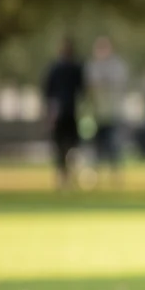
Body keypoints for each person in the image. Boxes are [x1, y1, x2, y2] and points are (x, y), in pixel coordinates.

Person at [85, 36, 129, 184]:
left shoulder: (117, 66)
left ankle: (115, 175)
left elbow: (120, 85)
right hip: (97, 113)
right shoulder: (93, 66)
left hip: (113, 112)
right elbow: (91, 86)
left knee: (114, 146)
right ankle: (94, 174)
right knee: (96, 147)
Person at [42, 37, 85, 191]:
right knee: (64, 147)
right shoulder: (66, 69)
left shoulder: (70, 69)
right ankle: (64, 176)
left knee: (66, 147)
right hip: (64, 113)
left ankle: (65, 176)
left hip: (67, 113)